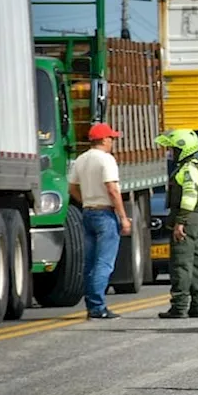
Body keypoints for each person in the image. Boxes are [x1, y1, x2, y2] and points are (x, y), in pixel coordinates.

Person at [67, 122, 131, 320]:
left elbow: (71, 188)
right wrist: (123, 217)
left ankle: (91, 304)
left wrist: (85, 201)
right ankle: (98, 307)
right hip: (105, 214)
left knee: (90, 263)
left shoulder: (81, 159)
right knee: (104, 262)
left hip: (88, 213)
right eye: (111, 138)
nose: (112, 141)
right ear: (103, 139)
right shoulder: (106, 160)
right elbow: (112, 189)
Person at [156, 129, 198, 319]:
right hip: (196, 218)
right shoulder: (196, 166)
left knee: (181, 263)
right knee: (194, 263)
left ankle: (179, 307)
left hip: (188, 218)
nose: (170, 153)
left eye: (172, 149)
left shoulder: (187, 170)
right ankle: (197, 306)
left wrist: (180, 222)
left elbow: (189, 197)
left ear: (182, 149)